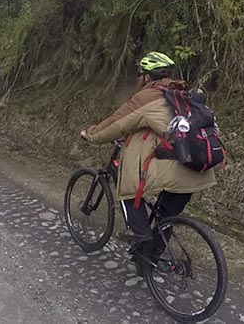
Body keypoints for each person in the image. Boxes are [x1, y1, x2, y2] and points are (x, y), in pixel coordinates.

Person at [80, 52, 217, 270]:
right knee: (166, 217)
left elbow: (116, 124)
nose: (138, 79)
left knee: (127, 191)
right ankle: (148, 263)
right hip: (197, 167)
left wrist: (91, 134)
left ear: (146, 77)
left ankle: (140, 234)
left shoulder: (147, 97)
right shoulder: (182, 95)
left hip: (174, 165)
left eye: (140, 75)